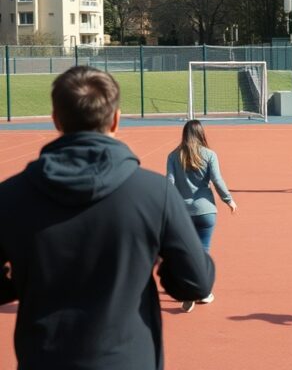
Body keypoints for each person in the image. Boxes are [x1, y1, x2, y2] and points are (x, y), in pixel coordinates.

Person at [0, 66, 215, 370]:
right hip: (128, 359)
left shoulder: (10, 196)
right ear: (115, 119)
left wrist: (23, 280)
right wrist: (159, 264)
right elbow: (195, 283)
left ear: (56, 120)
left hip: (44, 358)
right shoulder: (155, 194)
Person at [167, 120, 237, 312]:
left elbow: (169, 183)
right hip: (206, 211)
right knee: (202, 252)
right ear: (201, 134)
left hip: (182, 212)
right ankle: (202, 292)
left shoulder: (174, 156)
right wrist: (228, 199)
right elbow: (217, 180)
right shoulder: (209, 154)